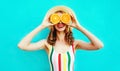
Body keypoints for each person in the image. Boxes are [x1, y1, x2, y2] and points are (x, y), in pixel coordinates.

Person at [18, 6, 104, 71]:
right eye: (57, 19)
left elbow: (99, 45)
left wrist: (79, 26)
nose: (60, 23)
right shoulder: (46, 44)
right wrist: (42, 26)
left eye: (63, 19)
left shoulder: (75, 44)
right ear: (52, 22)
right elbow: (22, 46)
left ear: (68, 22)